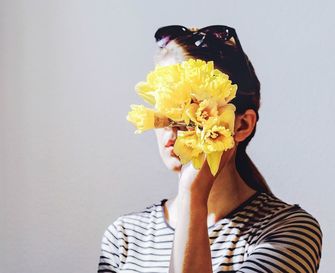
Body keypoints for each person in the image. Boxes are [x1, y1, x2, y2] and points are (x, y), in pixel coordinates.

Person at [97, 25, 322, 273]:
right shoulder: (125, 237)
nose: (172, 127)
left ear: (242, 125)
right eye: (163, 110)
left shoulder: (287, 231)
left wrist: (192, 193)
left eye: (189, 107)